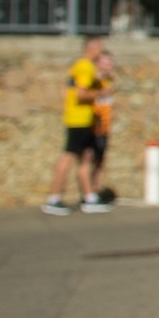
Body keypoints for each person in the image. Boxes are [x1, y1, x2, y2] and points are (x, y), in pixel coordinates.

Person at [44, 36, 115, 216]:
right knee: (68, 156)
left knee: (86, 158)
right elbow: (81, 95)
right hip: (79, 120)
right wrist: (101, 92)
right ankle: (54, 198)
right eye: (100, 46)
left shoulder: (81, 66)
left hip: (82, 119)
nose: (101, 50)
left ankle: (89, 197)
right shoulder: (85, 66)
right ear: (92, 48)